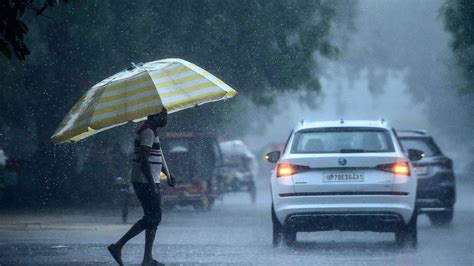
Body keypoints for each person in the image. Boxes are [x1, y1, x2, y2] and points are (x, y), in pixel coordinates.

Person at [108, 108, 176, 266]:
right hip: (145, 181)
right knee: (153, 217)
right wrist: (152, 184)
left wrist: (168, 173)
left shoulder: (152, 131)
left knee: (153, 219)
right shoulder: (147, 131)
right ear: (156, 115)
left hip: (149, 180)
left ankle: (147, 258)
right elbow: (143, 159)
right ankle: (118, 246)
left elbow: (158, 154)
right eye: (164, 115)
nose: (166, 118)